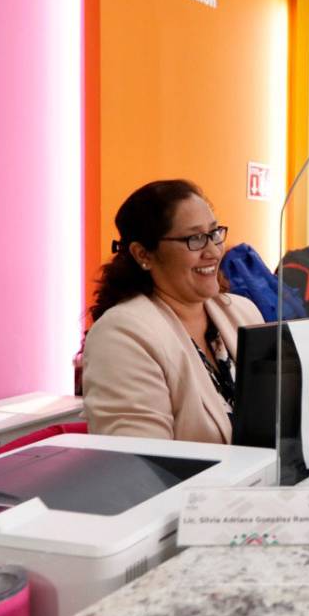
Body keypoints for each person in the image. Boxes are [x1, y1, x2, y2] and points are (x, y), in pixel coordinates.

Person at [83, 179, 264, 443]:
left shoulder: (242, 312)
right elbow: (143, 465)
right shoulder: (120, 336)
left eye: (214, 233)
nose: (213, 251)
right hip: (191, 485)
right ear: (143, 254)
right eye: (195, 239)